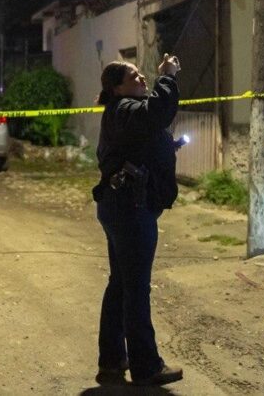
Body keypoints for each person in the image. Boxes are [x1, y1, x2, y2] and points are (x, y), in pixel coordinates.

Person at [92, 54, 185, 387]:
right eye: (133, 77)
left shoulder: (124, 112)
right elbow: (157, 112)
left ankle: (112, 361)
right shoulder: (125, 109)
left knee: (121, 284)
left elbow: (146, 131)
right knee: (135, 289)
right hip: (130, 209)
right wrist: (168, 76)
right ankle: (146, 366)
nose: (142, 78)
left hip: (122, 206)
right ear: (117, 88)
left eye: (141, 74)